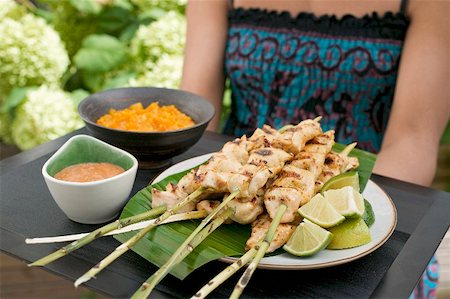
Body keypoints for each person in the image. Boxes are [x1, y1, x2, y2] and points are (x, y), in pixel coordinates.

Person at [181, 1, 448, 297]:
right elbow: (199, 119)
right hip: (237, 203)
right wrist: (228, 186)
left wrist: (324, 208)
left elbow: (413, 142)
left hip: (358, 206)